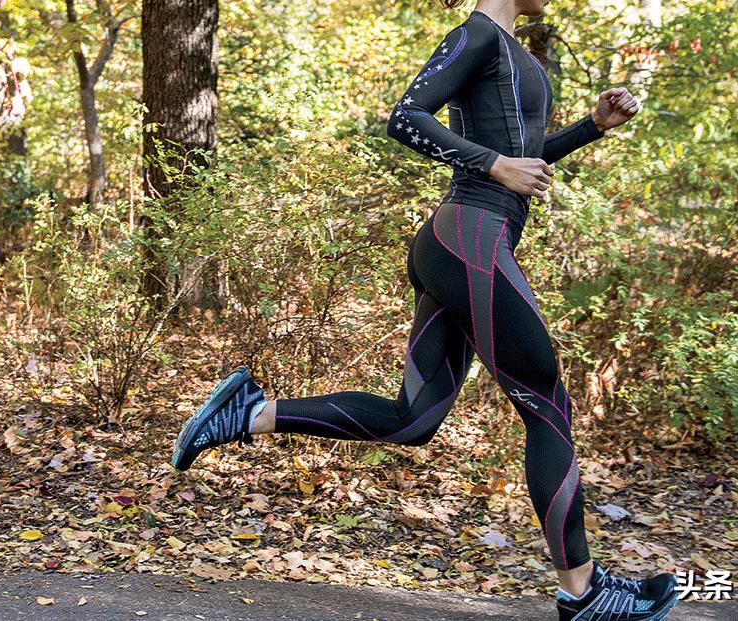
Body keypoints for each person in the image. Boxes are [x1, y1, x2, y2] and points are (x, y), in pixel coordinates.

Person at [171, 1, 680, 619]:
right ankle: (583, 591)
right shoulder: (478, 33)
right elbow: (406, 118)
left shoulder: (507, 47)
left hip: (464, 243)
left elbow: (518, 153)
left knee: (414, 419)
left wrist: (592, 127)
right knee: (546, 407)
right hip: (469, 237)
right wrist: (494, 165)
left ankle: (250, 414)